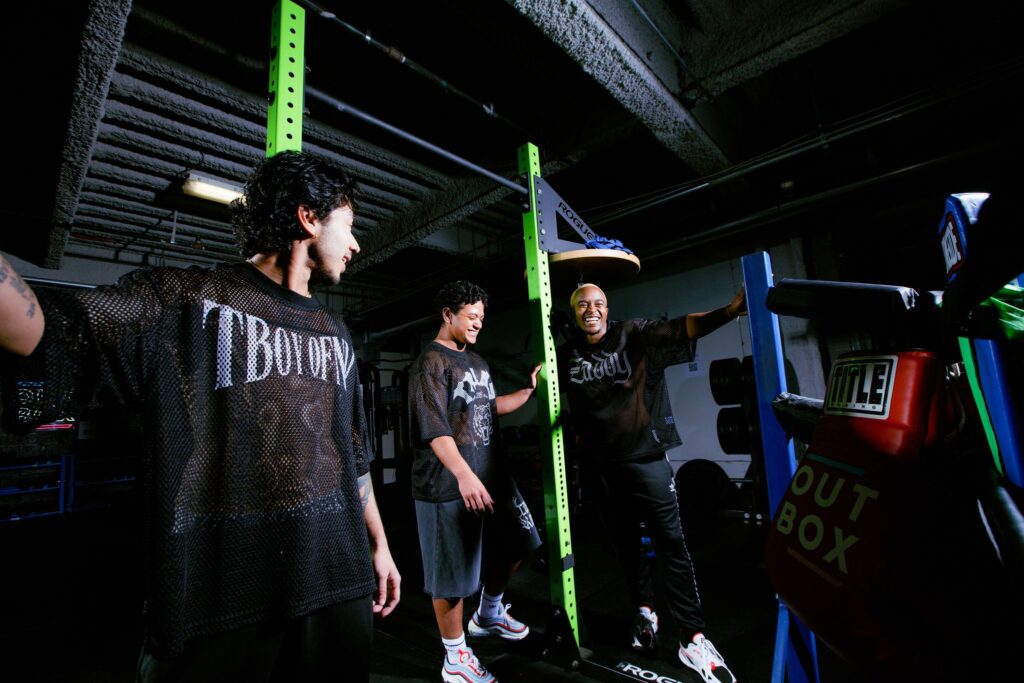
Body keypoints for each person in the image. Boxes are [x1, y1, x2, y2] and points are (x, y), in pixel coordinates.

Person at [0, 150, 400, 683]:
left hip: (337, 578)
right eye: (348, 227)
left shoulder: (336, 331)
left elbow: (351, 451)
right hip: (221, 598)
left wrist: (380, 544)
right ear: (309, 218)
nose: (355, 245)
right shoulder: (184, 301)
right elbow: (49, 331)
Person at [560, 282, 745, 683]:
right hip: (600, 467)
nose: (591, 310)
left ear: (607, 309)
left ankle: (692, 637)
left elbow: (682, 327)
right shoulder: (564, 354)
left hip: (646, 458)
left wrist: (728, 312)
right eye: (583, 305)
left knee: (671, 543)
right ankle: (645, 612)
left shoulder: (633, 333)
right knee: (626, 546)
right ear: (574, 312)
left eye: (598, 303)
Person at [408, 280, 543, 683]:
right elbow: (435, 429)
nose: (478, 324)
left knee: (521, 540)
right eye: (471, 316)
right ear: (447, 314)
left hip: (490, 475)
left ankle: (488, 613)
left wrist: (528, 392)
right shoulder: (430, 364)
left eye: (482, 317)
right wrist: (464, 476)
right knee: (452, 578)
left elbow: (485, 407)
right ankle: (455, 659)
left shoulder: (478, 362)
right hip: (446, 483)